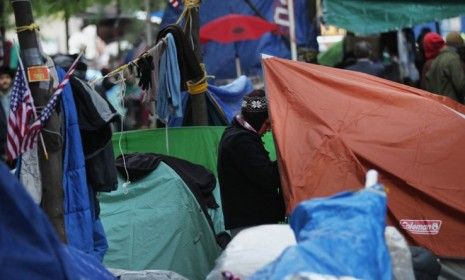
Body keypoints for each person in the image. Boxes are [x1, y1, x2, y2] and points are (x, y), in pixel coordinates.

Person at [217, 89, 285, 237]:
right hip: (252, 227)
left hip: (253, 223)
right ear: (258, 119)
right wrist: (287, 157)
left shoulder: (237, 133)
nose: (268, 129)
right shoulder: (240, 141)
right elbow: (269, 178)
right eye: (267, 123)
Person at [425, 31, 465, 103]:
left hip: (440, 104)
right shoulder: (453, 59)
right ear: (459, 45)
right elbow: (461, 85)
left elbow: (428, 85)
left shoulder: (436, 59)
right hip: (453, 104)